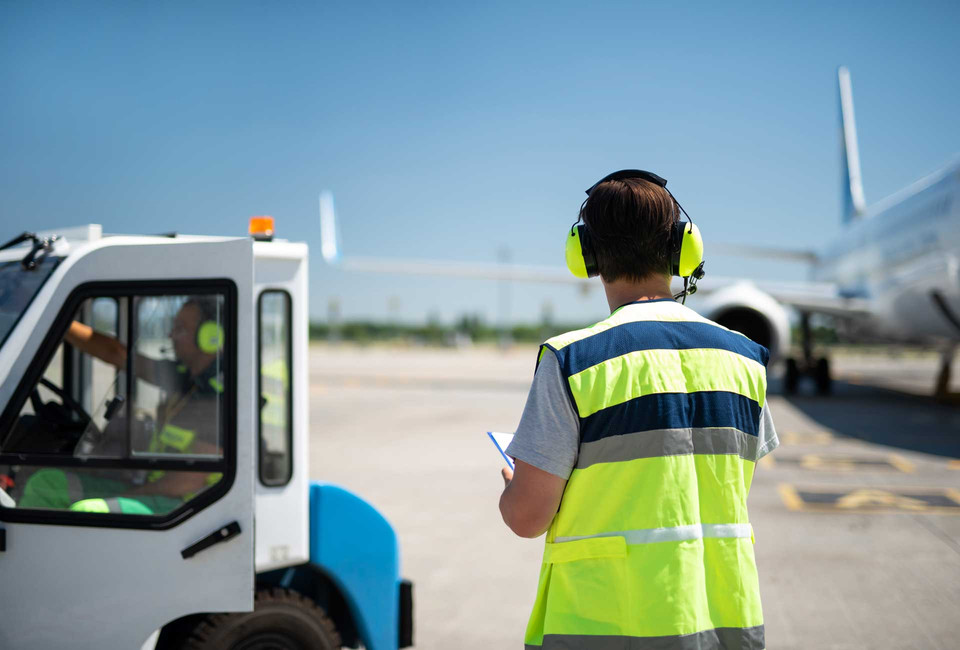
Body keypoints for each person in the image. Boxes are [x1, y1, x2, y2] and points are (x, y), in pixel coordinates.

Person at [498, 170, 778, 650]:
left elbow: (527, 518)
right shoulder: (745, 358)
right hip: (725, 628)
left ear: (585, 255)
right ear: (681, 249)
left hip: (606, 630)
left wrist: (515, 484)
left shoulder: (573, 361)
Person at [18, 297, 224, 513]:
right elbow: (117, 355)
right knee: (48, 483)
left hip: (184, 506)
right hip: (154, 488)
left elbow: (186, 482)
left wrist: (125, 495)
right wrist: (56, 320)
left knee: (89, 511)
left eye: (180, 329)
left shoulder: (219, 397)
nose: (170, 335)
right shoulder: (186, 379)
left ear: (210, 336)